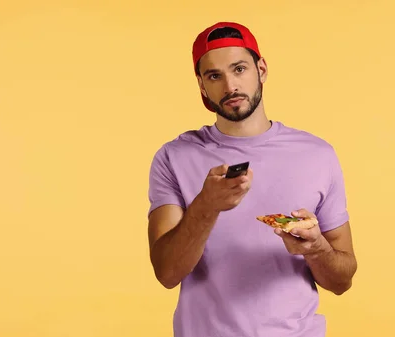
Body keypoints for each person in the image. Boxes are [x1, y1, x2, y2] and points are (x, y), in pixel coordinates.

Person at [147, 21, 358, 337]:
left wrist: (317, 248)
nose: (230, 85)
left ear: (261, 69)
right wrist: (206, 207)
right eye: (214, 76)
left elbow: (342, 281)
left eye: (239, 69)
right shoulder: (174, 157)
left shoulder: (317, 154)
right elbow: (167, 273)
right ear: (202, 86)